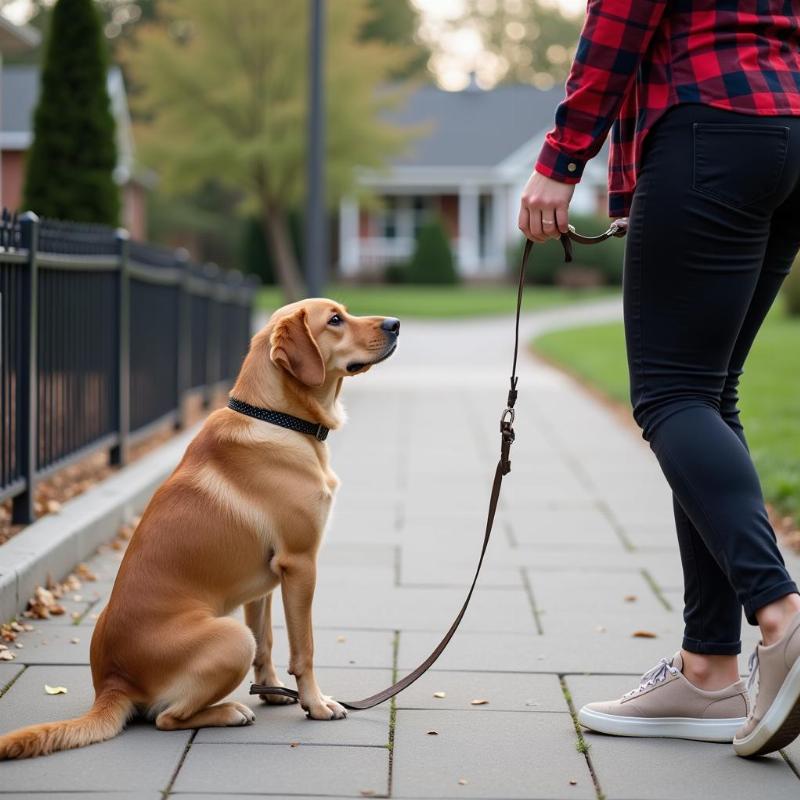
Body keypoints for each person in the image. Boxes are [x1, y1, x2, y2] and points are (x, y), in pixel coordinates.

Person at [519, 0, 800, 757]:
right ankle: (707, 671)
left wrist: (562, 158)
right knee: (709, 392)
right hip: (788, 128)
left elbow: (620, 15)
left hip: (709, 120)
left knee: (672, 393)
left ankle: (780, 614)